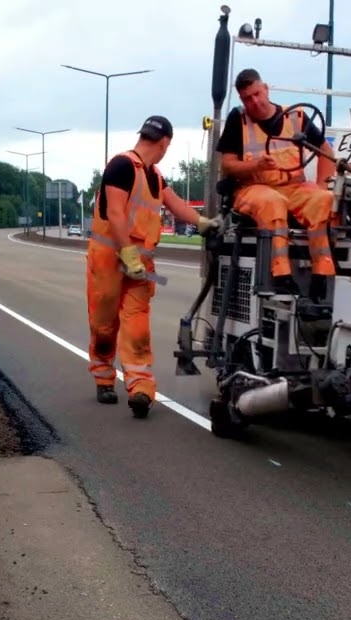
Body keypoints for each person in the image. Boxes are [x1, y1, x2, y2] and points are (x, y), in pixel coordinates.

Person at [86, 115, 221, 418]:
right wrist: (128, 255)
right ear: (165, 143)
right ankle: (104, 378)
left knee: (137, 327)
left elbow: (174, 203)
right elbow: (116, 215)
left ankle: (141, 389)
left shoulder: (155, 176)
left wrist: (201, 222)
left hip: (139, 265)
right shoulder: (121, 167)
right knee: (104, 325)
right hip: (110, 259)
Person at [217, 68, 338, 300]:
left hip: (294, 188)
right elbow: (228, 165)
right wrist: (255, 166)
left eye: (256, 94)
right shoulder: (238, 119)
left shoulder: (296, 117)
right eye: (247, 99)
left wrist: (322, 185)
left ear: (266, 89)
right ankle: (280, 275)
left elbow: (325, 151)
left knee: (324, 200)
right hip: (253, 189)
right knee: (272, 202)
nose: (254, 102)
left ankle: (322, 274)